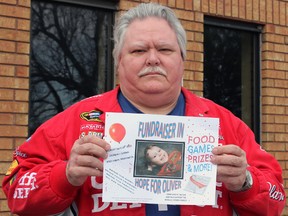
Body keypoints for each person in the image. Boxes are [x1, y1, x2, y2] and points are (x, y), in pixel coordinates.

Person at [2, 2, 286, 216]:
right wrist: (64, 175)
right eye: (138, 51)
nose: (153, 59)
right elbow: (15, 189)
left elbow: (276, 197)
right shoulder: (78, 120)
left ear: (183, 60)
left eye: (164, 50)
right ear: (119, 61)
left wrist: (246, 181)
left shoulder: (224, 124)